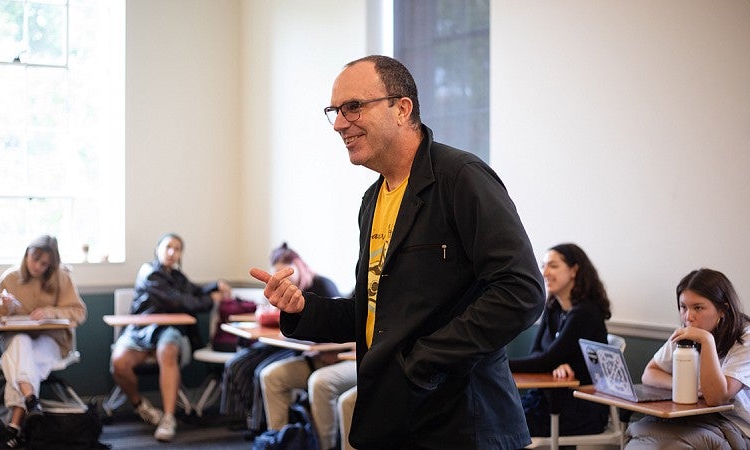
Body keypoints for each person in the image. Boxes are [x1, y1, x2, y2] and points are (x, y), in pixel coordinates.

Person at [250, 55, 544, 449]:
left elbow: (521, 292)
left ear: (402, 108)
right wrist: (302, 308)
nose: (339, 123)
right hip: (392, 416)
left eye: (353, 106)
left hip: (461, 423)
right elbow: (370, 312)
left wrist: (424, 360)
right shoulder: (372, 200)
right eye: (335, 111)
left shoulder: (461, 178)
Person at [110, 232, 230, 442]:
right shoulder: (148, 272)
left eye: (178, 248)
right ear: (157, 249)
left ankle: (168, 417)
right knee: (119, 362)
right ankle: (141, 406)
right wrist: (210, 301)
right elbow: (178, 302)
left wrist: (216, 285)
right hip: (140, 330)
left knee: (168, 350)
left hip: (167, 330)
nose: (172, 252)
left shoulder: (177, 277)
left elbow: (194, 290)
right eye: (168, 247)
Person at [220, 242, 340, 437]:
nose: (284, 279)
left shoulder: (322, 286)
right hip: (291, 343)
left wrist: (333, 347)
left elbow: (338, 325)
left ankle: (266, 427)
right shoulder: (287, 292)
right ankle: (260, 426)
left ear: (298, 266)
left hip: (313, 351)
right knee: (238, 364)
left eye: (286, 272)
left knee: (261, 371)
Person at [625, 268, 750, 449]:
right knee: (640, 435)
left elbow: (717, 398)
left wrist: (706, 341)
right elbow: (650, 373)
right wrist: (685, 385)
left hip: (735, 425)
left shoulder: (745, 337)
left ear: (723, 309)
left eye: (698, 308)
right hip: (692, 417)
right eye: (683, 307)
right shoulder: (686, 332)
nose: (688, 317)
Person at [0, 235, 87, 449]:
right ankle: (31, 403)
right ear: (26, 254)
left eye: (44, 264)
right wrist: (5, 306)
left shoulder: (62, 278)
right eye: (35, 259)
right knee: (21, 343)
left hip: (50, 340)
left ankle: (15, 424)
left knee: (23, 361)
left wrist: (51, 312)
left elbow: (79, 312)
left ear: (52, 264)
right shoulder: (10, 277)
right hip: (16, 339)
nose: (38, 267)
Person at [509, 243, 611, 436]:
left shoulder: (585, 313)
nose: (545, 272)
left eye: (553, 266)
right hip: (548, 399)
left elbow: (546, 359)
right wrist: (553, 362)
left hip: (580, 407)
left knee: (499, 423)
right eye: (543, 266)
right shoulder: (553, 307)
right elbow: (538, 354)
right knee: (495, 417)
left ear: (574, 271)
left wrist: (499, 364)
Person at [260, 341, 356, 450]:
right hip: (325, 351)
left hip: (358, 356)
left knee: (320, 383)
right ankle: (281, 442)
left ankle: (325, 446)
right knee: (272, 376)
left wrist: (344, 347)